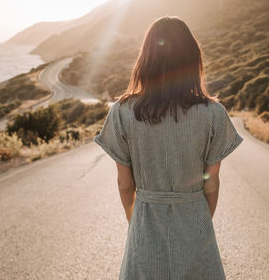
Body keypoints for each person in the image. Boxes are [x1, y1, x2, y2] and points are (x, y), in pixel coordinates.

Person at [93, 16, 244, 279]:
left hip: (145, 222)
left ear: (146, 59)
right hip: (195, 221)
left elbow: (125, 185)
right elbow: (212, 183)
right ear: (192, 59)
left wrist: (137, 222)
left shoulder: (121, 112)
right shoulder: (213, 113)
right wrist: (198, 222)